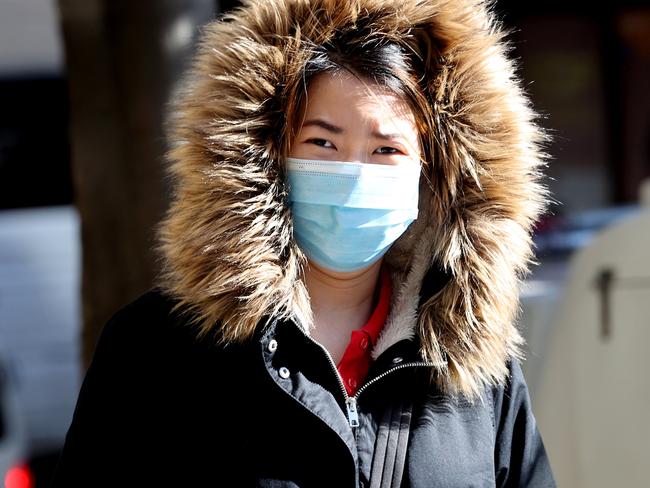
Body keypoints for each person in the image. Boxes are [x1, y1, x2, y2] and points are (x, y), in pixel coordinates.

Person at [51, 0, 556, 486]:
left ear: (432, 176)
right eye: (323, 143)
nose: (354, 174)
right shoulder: (154, 349)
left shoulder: (476, 371)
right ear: (269, 155)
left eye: (386, 149)